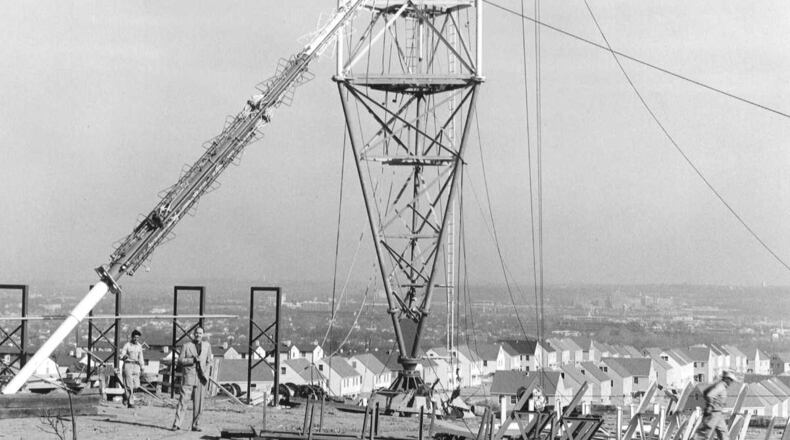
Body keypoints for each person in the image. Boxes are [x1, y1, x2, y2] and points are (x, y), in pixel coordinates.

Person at [172, 327, 213, 432]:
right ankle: (177, 424)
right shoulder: (186, 346)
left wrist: (206, 374)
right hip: (188, 377)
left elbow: (209, 361)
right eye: (196, 333)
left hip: (201, 379)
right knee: (183, 401)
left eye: (200, 333)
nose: (198, 335)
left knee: (199, 404)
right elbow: (180, 361)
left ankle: (196, 425)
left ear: (203, 335)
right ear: (193, 334)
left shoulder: (207, 346)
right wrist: (192, 360)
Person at [696, 369, 736, 440]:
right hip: (712, 414)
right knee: (704, 434)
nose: (731, 382)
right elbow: (709, 395)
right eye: (731, 380)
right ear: (727, 379)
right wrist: (710, 405)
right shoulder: (720, 386)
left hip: (718, 414)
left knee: (724, 433)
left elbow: (705, 392)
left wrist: (719, 403)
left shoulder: (721, 386)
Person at [119, 329, 145, 408]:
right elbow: (122, 354)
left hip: (136, 366)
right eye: (135, 337)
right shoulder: (127, 345)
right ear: (132, 337)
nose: (136, 339)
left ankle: (125, 395)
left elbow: (141, 357)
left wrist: (142, 367)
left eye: (137, 338)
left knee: (136, 385)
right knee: (129, 385)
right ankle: (131, 403)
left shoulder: (139, 346)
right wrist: (123, 356)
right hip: (128, 365)